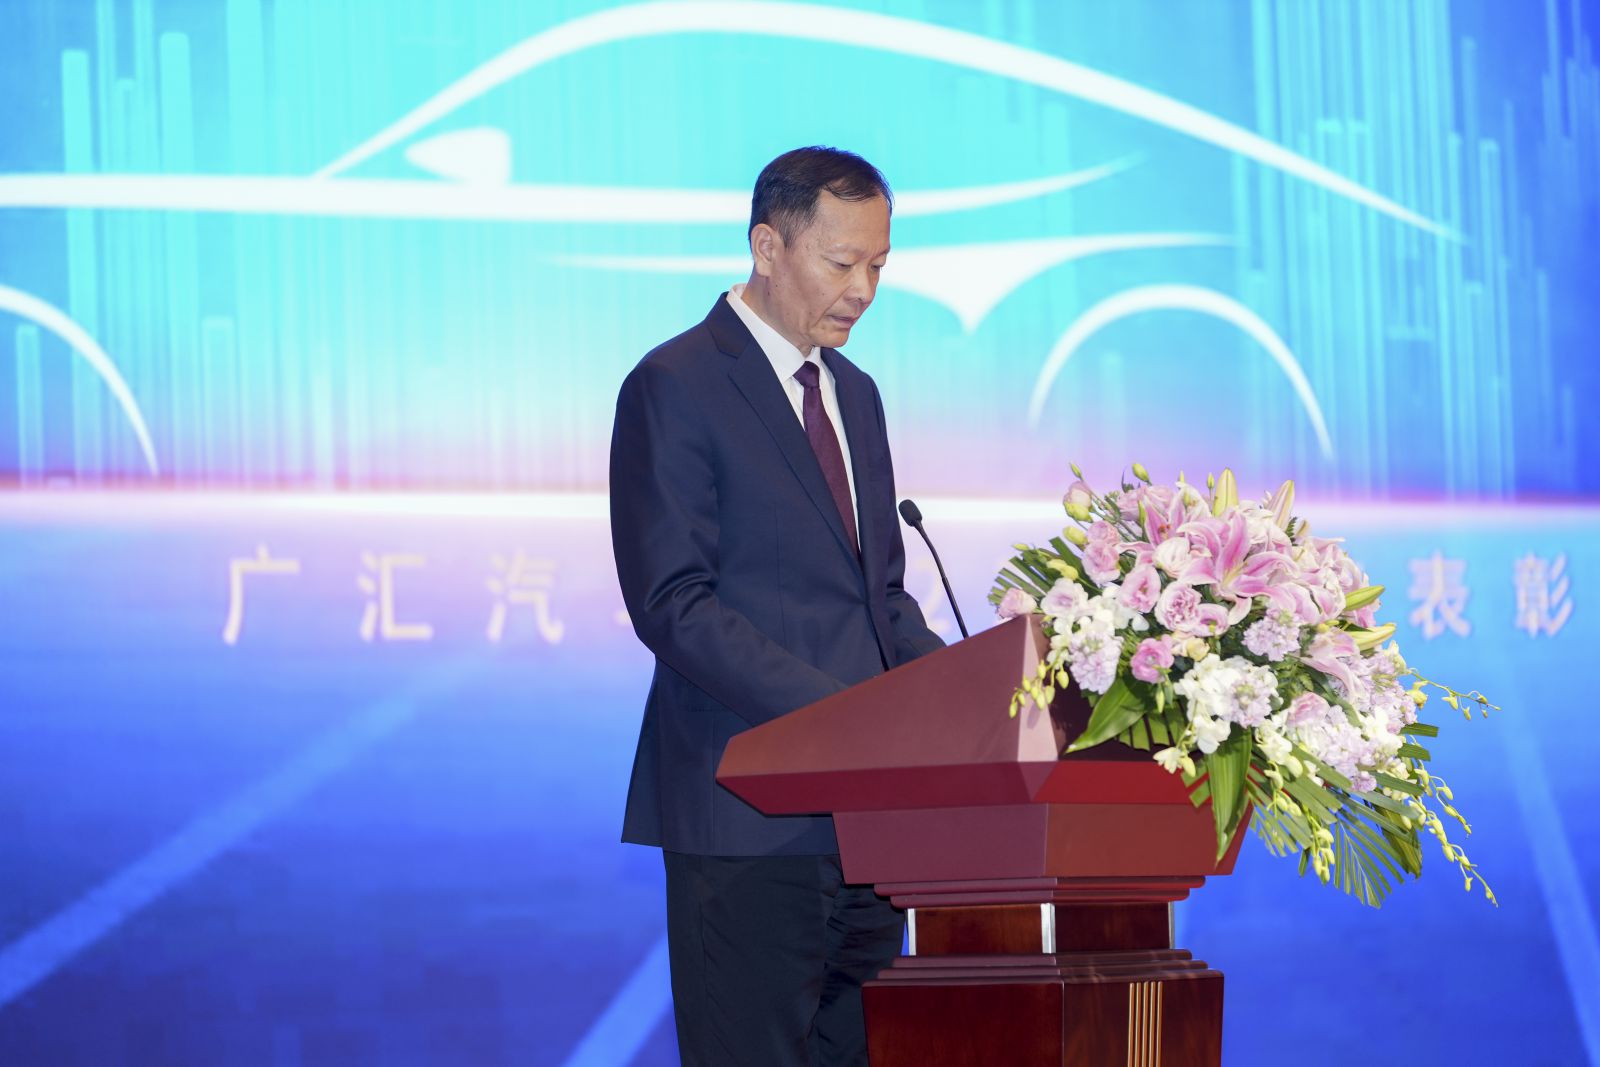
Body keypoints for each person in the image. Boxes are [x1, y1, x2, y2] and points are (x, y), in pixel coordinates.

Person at [608, 146, 945, 1066]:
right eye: (843, 263)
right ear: (768, 246)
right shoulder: (675, 383)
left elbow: (880, 598)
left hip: (872, 829)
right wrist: (839, 717)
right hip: (745, 816)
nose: (864, 289)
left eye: (880, 265)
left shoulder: (856, 397)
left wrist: (975, 692)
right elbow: (673, 602)